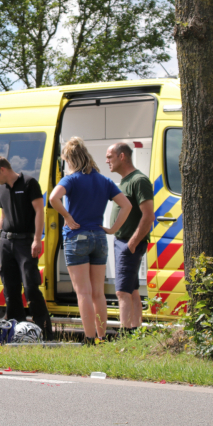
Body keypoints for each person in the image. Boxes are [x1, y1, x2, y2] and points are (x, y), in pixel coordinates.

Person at [50, 137, 131, 345]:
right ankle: (102, 338)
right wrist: (113, 228)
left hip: (77, 237)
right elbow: (127, 205)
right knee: (98, 293)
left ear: (71, 159)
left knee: (83, 293)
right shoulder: (103, 180)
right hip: (99, 237)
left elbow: (53, 198)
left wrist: (67, 217)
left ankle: (88, 339)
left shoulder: (72, 179)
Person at [0, 156, 54, 341]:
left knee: (31, 287)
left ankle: (44, 331)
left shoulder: (29, 183)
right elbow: (2, 217)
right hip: (7, 242)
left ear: (3, 170)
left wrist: (37, 239)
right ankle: (16, 331)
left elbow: (40, 210)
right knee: (10, 288)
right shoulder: (2, 188)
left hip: (26, 242)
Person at [106, 143, 154, 333]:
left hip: (128, 243)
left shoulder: (139, 180)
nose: (107, 160)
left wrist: (132, 243)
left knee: (122, 292)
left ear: (122, 156)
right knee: (133, 290)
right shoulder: (126, 180)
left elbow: (148, 215)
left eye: (110, 156)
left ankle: (125, 336)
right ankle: (136, 333)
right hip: (122, 242)